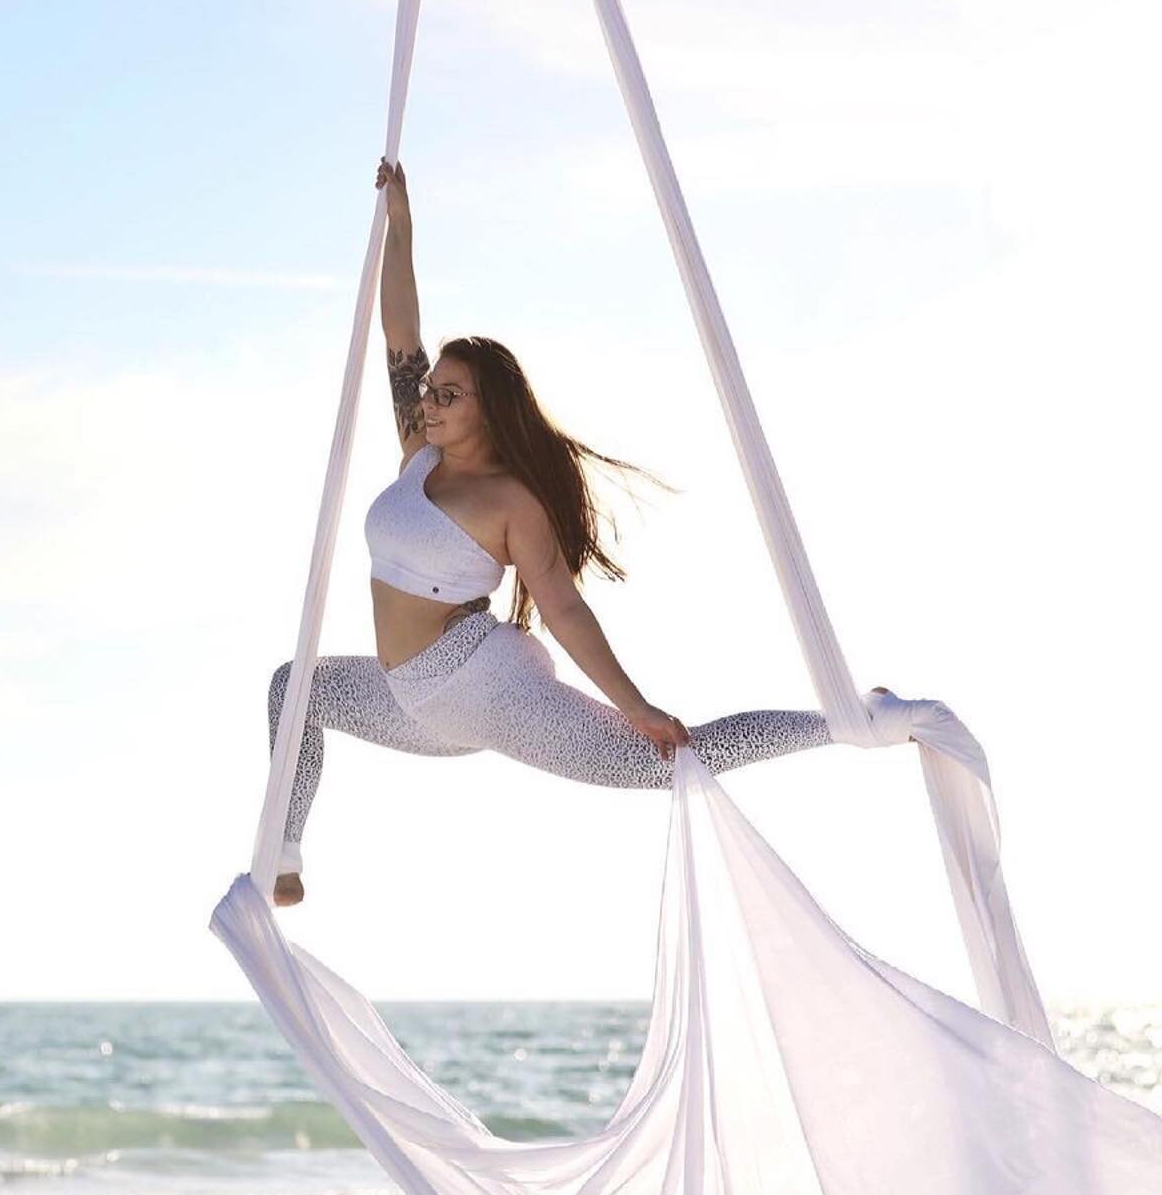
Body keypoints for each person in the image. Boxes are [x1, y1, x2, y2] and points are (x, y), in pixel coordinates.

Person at [268, 157, 895, 907]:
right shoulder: (419, 450)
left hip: (483, 686)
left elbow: (563, 606)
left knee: (661, 761)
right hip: (414, 699)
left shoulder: (511, 502)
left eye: (450, 393)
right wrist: (401, 225)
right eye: (432, 387)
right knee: (294, 688)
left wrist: (633, 705)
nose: (429, 398)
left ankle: (852, 721)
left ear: (489, 409)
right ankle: (283, 852)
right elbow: (399, 330)